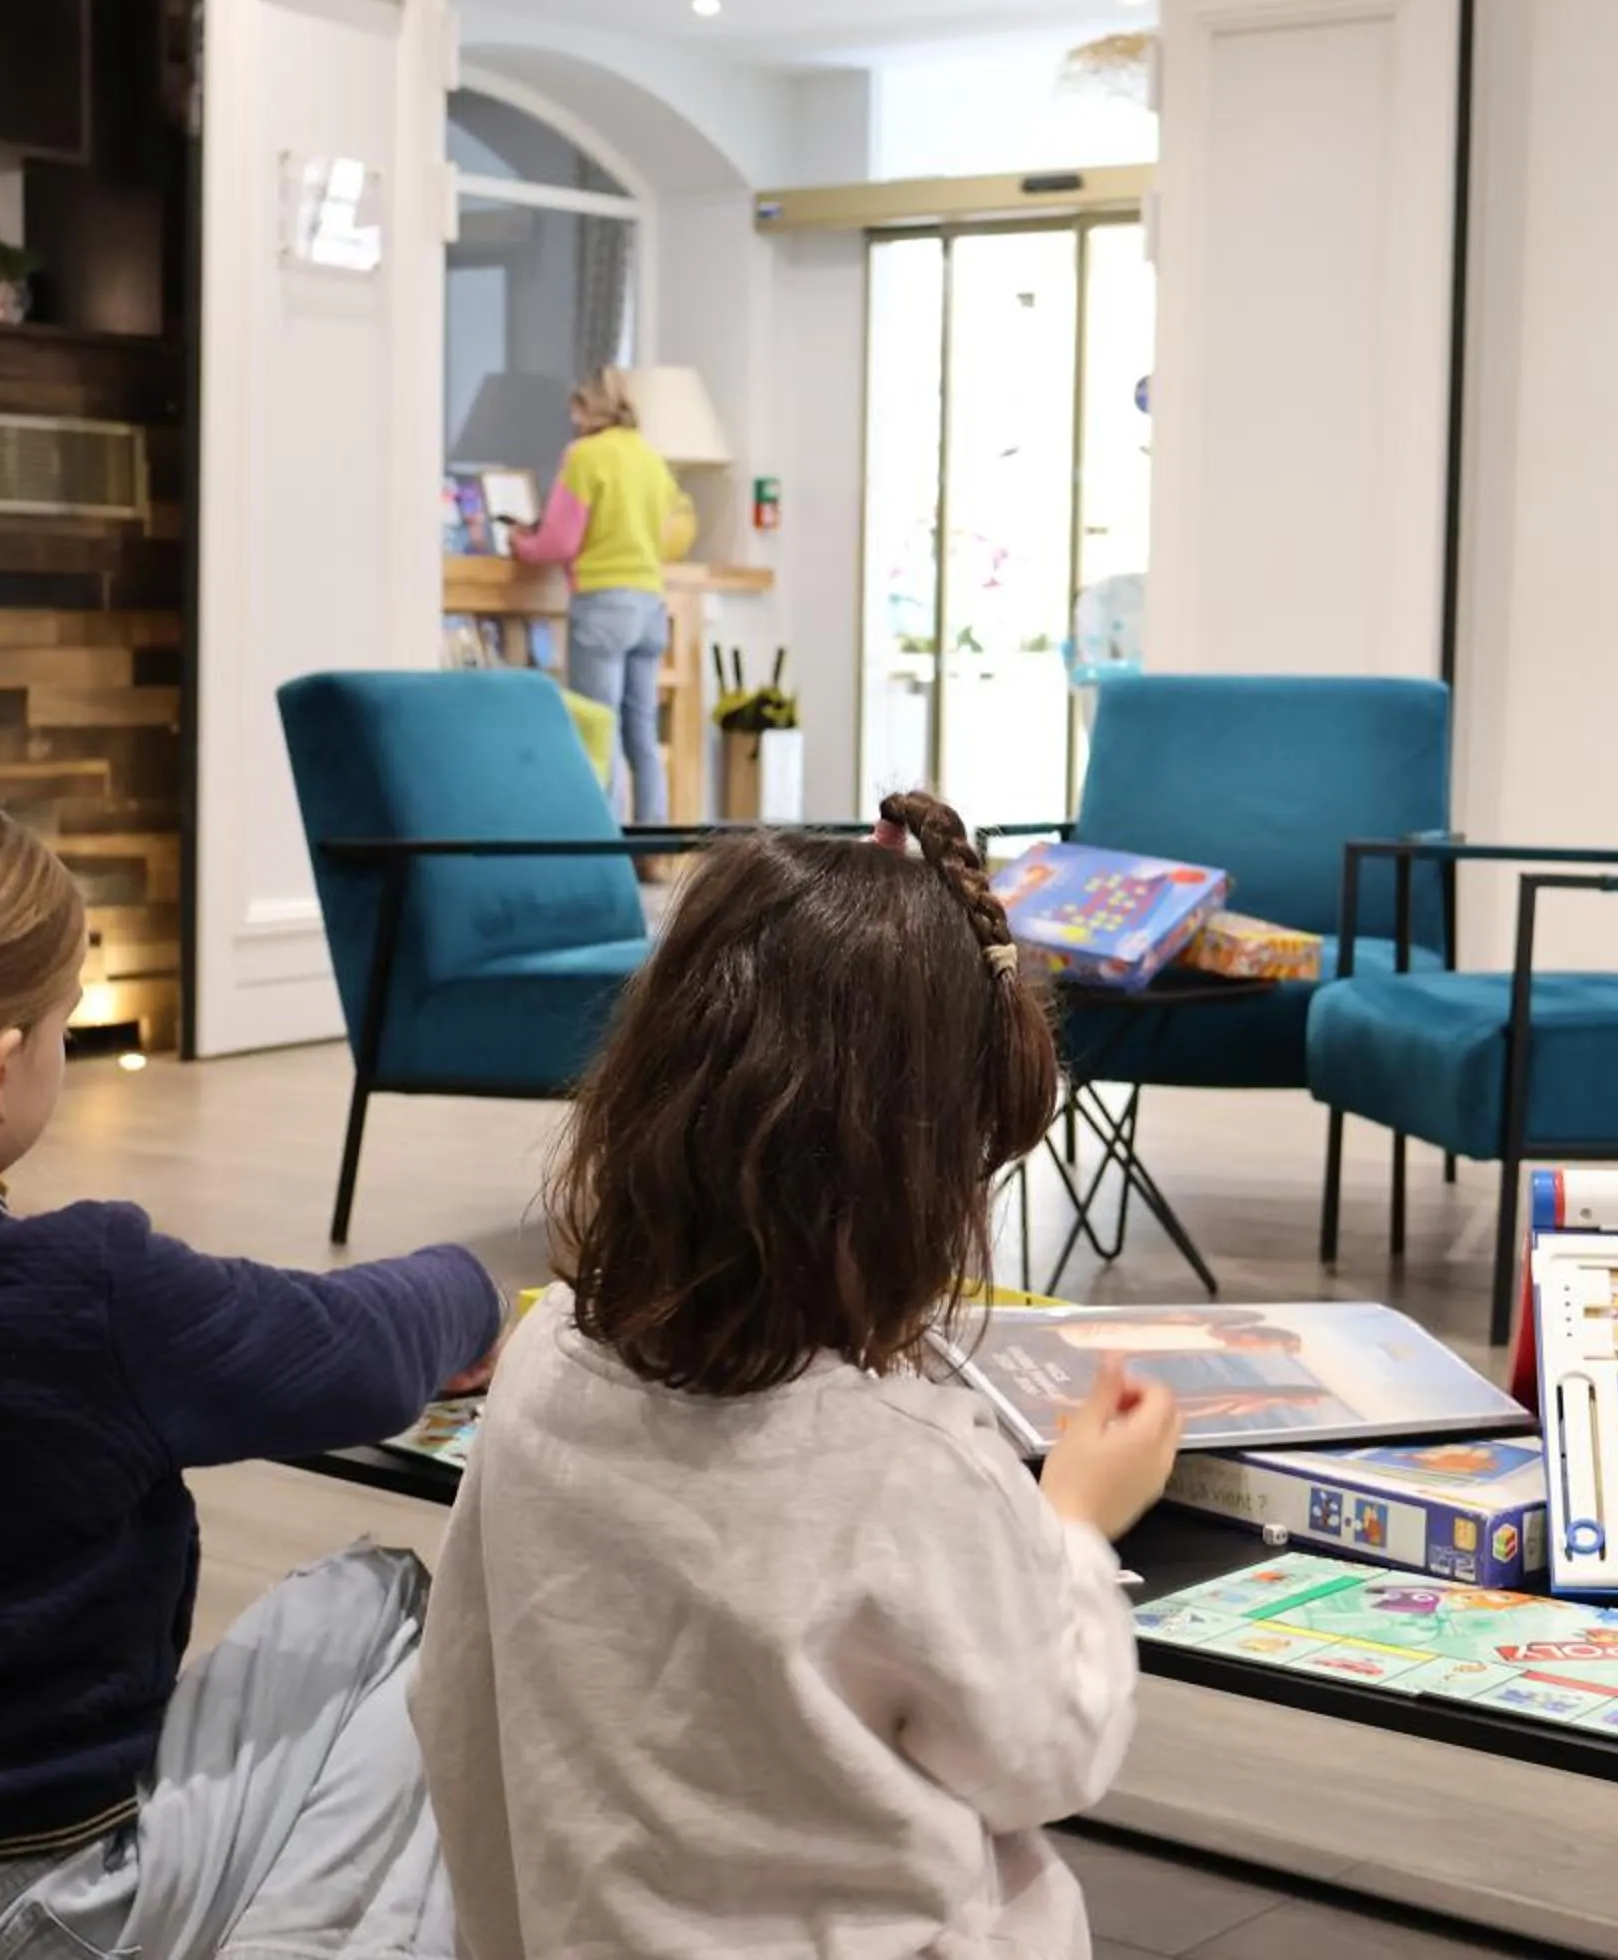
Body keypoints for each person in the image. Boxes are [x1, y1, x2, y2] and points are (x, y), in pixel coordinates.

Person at [0, 782, 506, 1960]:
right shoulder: (88, 1292)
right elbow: (360, 1358)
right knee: (388, 1598)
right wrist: (473, 1285)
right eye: (64, 1021)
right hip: (21, 1907)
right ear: (0, 1066)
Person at [414, 791, 1182, 1960]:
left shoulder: (544, 1358)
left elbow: (456, 1688)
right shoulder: (915, 1466)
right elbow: (1049, 1756)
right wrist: (1076, 1520)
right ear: (920, 1169)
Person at [509, 365, 698, 825]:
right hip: (650, 604)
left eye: (576, 409)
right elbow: (672, 531)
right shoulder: (649, 457)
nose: (573, 419)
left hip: (603, 604)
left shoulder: (585, 456)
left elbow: (559, 542)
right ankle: (654, 840)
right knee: (641, 730)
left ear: (588, 408)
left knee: (599, 723)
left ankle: (605, 837)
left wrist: (521, 543)